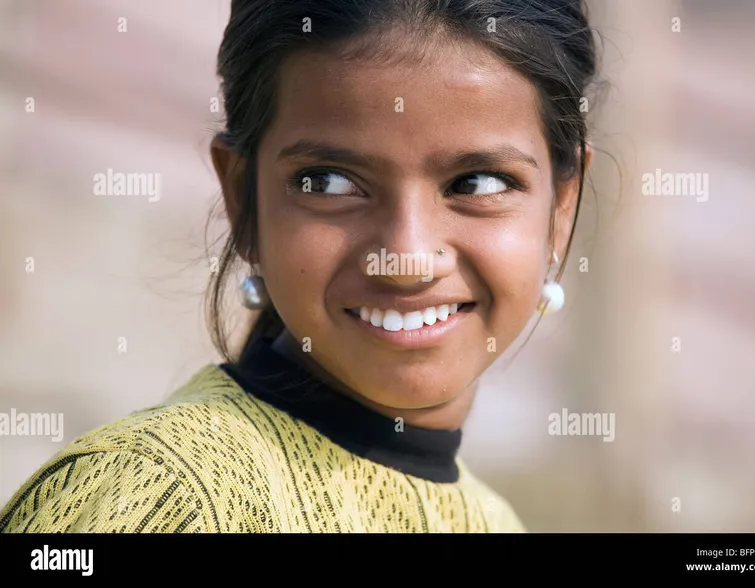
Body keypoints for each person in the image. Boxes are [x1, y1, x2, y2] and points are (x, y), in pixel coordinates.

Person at [0, 0, 598, 533]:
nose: (407, 258)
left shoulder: (497, 523)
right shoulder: (155, 498)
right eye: (330, 182)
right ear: (243, 199)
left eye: (478, 182)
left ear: (561, 210)